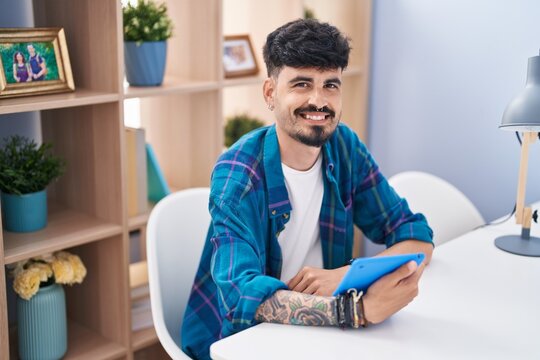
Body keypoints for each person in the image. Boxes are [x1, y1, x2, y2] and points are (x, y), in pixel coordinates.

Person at [182, 19, 434, 360]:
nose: (319, 101)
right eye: (302, 84)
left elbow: (415, 235)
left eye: (331, 85)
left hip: (323, 337)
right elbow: (242, 295)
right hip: (243, 340)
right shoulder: (237, 174)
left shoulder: (344, 147)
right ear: (271, 93)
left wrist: (342, 277)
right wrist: (354, 310)